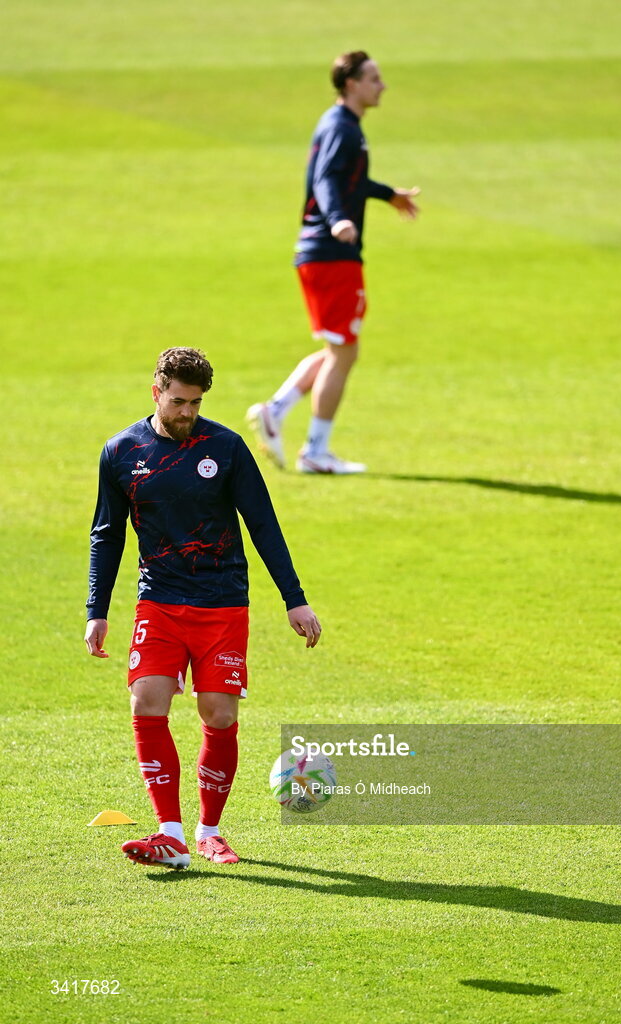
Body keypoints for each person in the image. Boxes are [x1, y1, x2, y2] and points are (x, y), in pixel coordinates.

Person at [85, 347, 321, 869]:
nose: (187, 412)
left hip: (222, 604)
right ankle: (169, 833)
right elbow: (107, 535)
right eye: (178, 402)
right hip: (159, 602)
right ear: (156, 392)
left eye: (195, 403)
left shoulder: (227, 448)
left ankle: (210, 831)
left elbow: (263, 525)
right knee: (146, 702)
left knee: (219, 714)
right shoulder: (121, 451)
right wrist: (96, 609)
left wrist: (294, 600)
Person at [247, 50, 419, 475]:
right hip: (331, 253)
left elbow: (350, 179)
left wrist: (386, 194)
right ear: (352, 84)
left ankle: (276, 411)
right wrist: (339, 219)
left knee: (337, 347)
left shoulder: (340, 124)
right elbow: (326, 179)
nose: (382, 85)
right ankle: (315, 451)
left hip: (319, 254)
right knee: (345, 352)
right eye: (374, 78)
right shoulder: (342, 127)